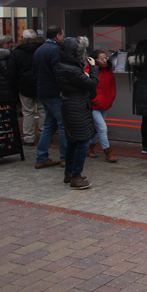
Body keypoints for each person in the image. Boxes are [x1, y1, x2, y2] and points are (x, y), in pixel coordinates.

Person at [55, 36, 98, 189]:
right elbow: (92, 84)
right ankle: (76, 176)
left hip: (71, 105)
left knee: (73, 142)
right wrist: (93, 69)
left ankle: (69, 173)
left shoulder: (64, 66)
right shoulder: (71, 69)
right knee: (83, 142)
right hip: (77, 107)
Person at [33, 26, 67, 169]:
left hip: (43, 92)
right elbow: (58, 72)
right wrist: (62, 88)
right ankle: (65, 158)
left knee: (49, 126)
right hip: (54, 93)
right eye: (62, 35)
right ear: (57, 36)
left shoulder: (39, 50)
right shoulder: (55, 50)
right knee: (64, 125)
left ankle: (41, 157)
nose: (63, 37)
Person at [7, 30, 45, 146]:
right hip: (41, 84)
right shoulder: (42, 49)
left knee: (28, 112)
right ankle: (44, 135)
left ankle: (29, 137)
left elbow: (11, 72)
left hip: (24, 85)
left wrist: (16, 84)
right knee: (42, 110)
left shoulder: (17, 52)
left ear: (23, 38)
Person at [85, 49, 117, 163]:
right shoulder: (89, 71)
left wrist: (112, 97)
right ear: (95, 60)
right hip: (94, 104)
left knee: (97, 128)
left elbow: (112, 83)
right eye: (101, 59)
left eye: (105, 58)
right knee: (102, 128)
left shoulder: (108, 69)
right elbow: (87, 87)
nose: (104, 61)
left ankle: (90, 148)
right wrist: (94, 100)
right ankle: (108, 152)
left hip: (105, 103)